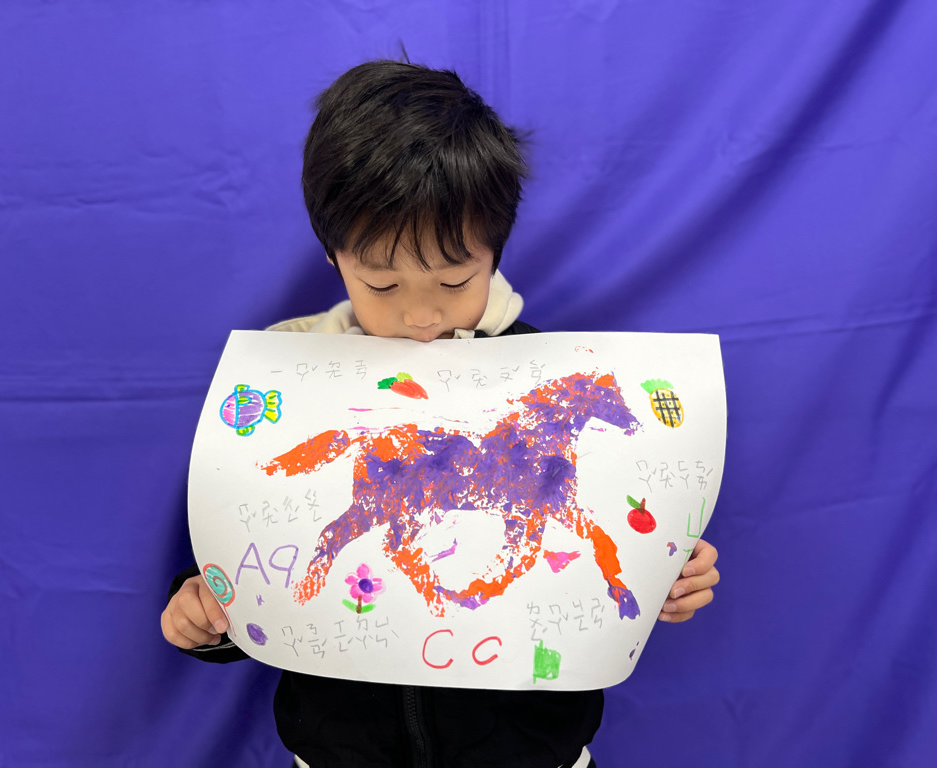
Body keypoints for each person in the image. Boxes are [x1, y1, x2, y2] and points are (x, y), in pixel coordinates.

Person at [161, 59, 720, 768]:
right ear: (334, 257)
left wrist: (665, 570)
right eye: (383, 284)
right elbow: (246, 553)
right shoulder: (283, 384)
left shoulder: (543, 374)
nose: (421, 316)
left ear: (495, 254)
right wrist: (206, 613)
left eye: (455, 281)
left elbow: (618, 521)